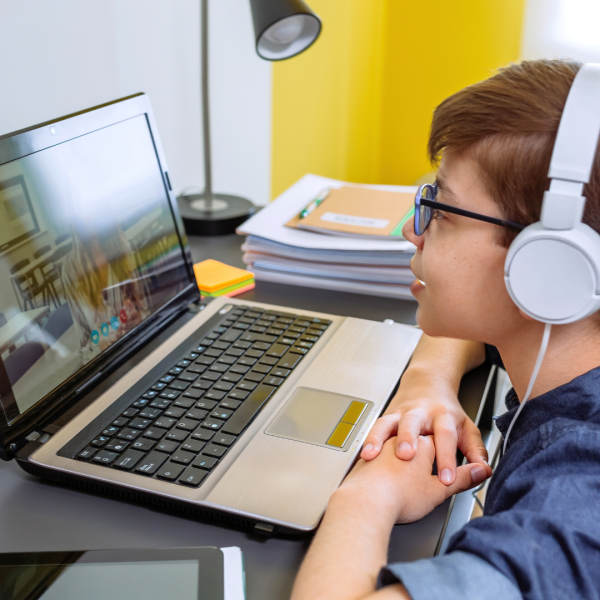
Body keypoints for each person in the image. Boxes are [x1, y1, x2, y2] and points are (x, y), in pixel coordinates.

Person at [291, 59, 600, 600]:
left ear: (548, 270)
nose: (414, 230)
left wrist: (368, 495)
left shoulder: (575, 500)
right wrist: (427, 382)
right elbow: (465, 324)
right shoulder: (565, 336)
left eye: (441, 209)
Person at [61, 212, 152, 363]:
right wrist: (100, 348)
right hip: (105, 365)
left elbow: (146, 311)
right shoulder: (70, 270)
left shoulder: (123, 248)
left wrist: (139, 320)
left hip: (139, 350)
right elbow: (84, 345)